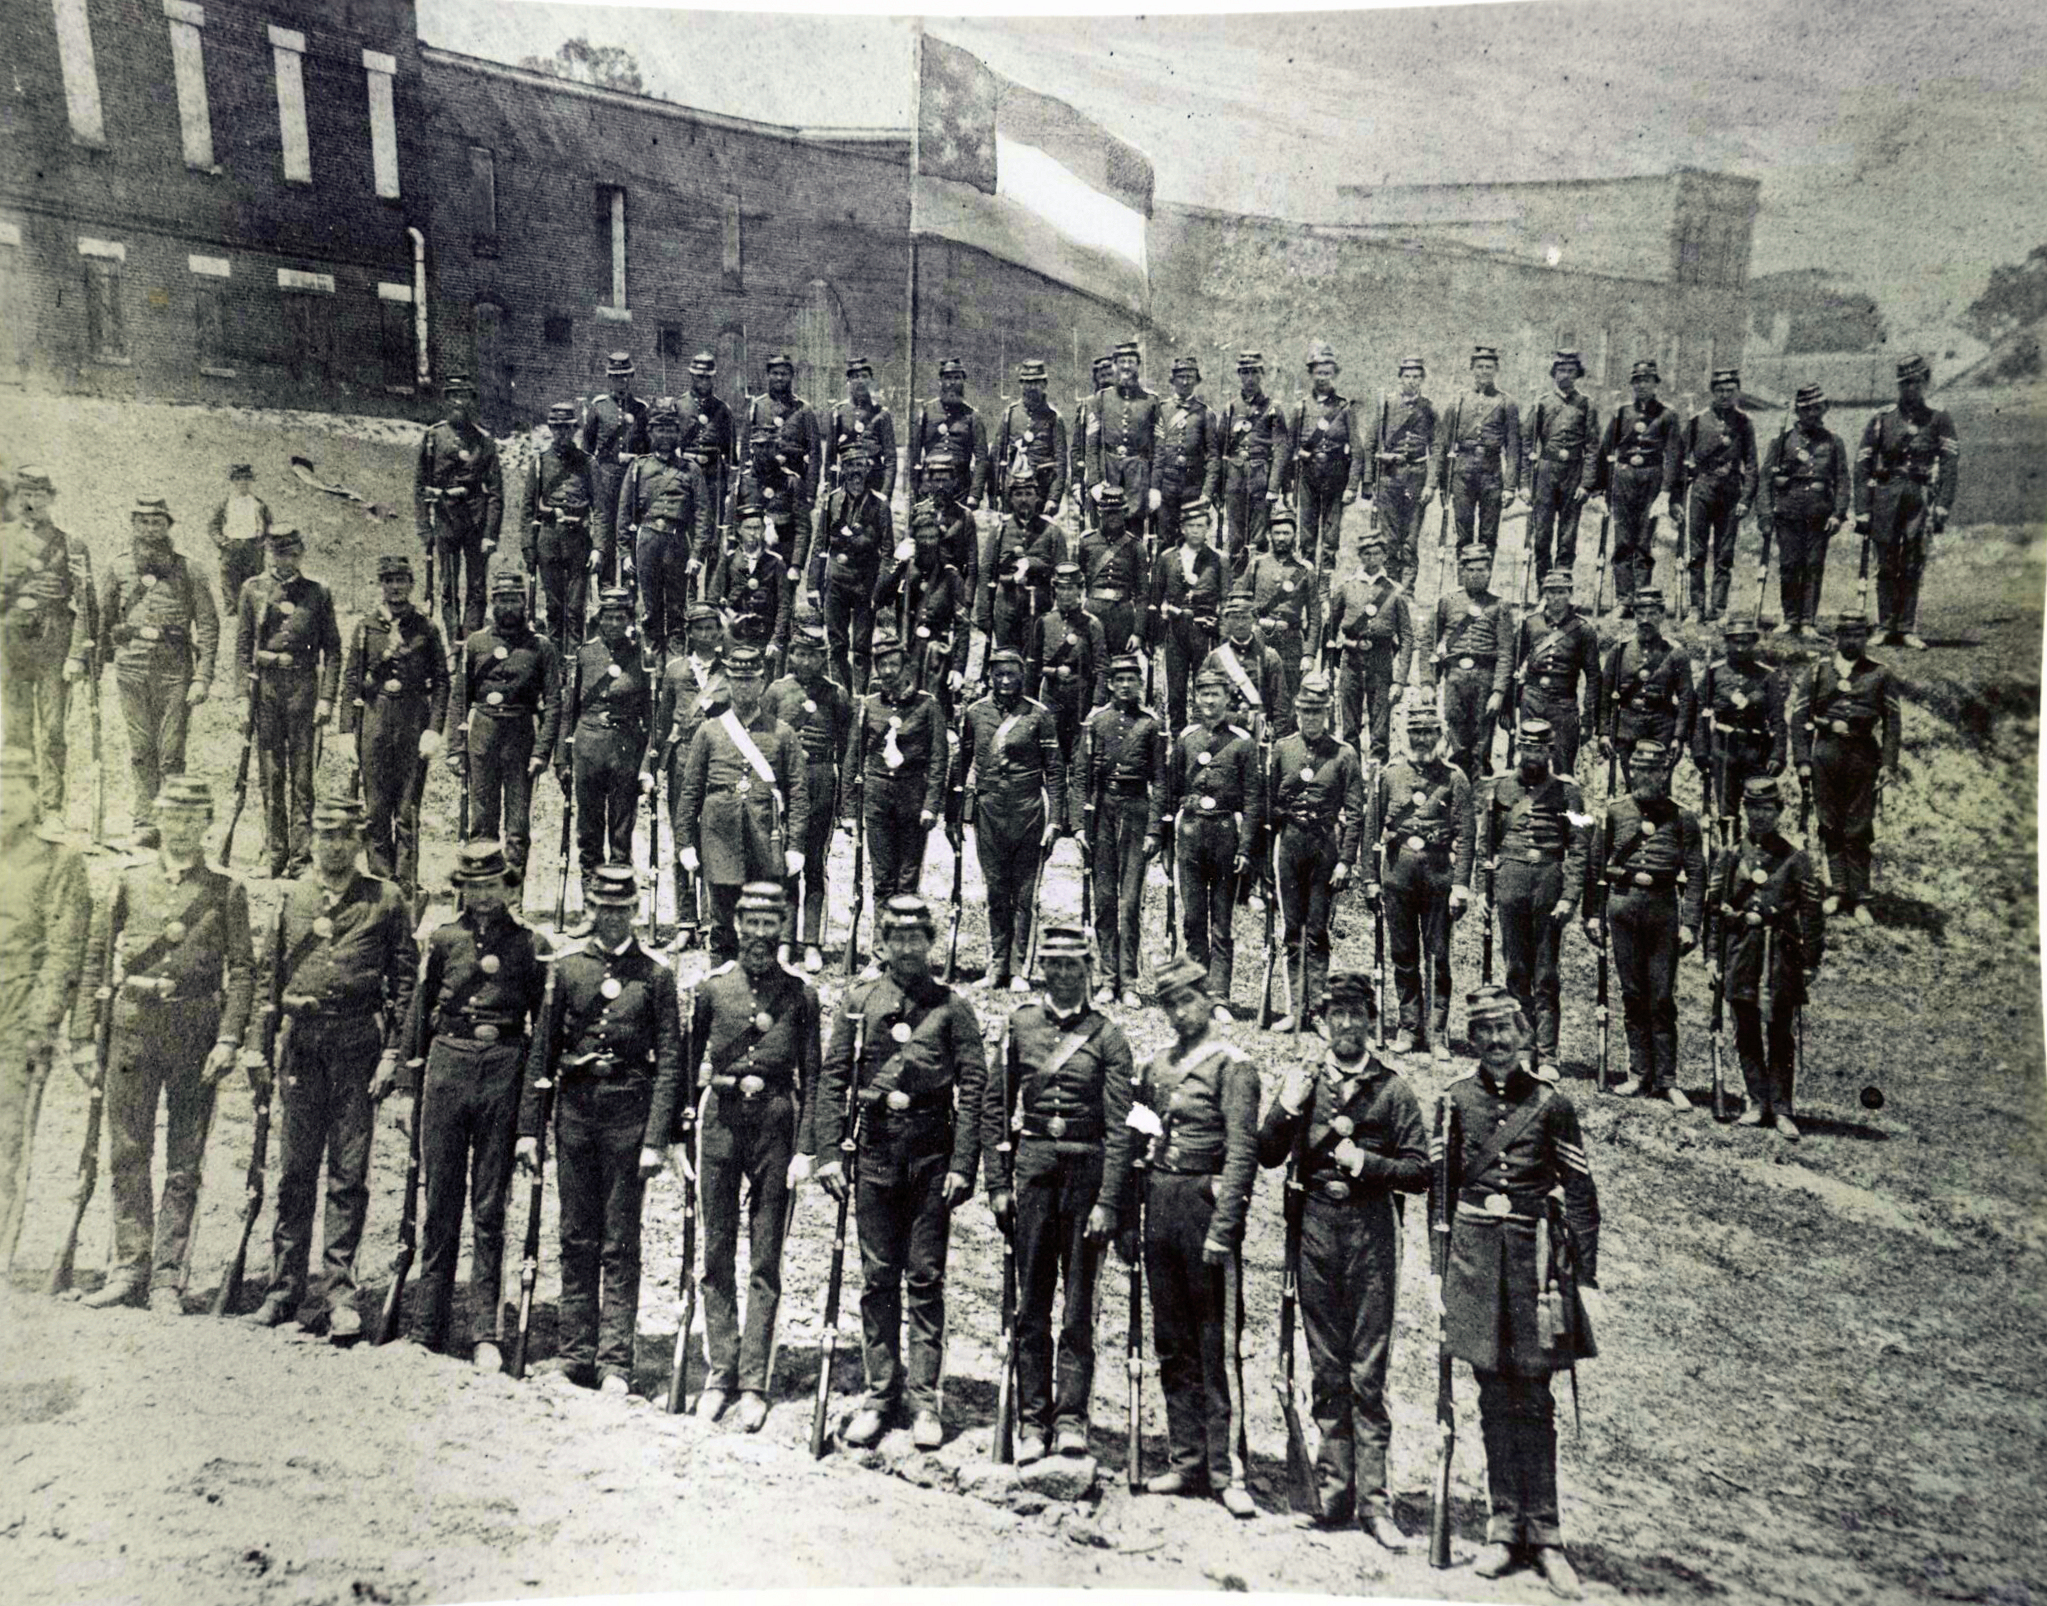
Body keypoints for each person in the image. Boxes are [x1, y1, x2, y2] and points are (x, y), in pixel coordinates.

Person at [1435, 985, 1601, 1599]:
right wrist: (1437, 1273)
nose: (1498, 1041)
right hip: (1477, 1265)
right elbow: (1441, 1195)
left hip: (1535, 1270)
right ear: (1473, 1040)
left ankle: (1548, 1535)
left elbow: (1581, 1196)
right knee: (1490, 1397)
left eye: (1507, 1029)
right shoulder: (1454, 1101)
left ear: (1524, 1034)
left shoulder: (1551, 1105)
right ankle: (1504, 1529)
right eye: (1486, 1032)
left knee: (1534, 1399)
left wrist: (1584, 1278)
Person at [72, 778, 255, 1311]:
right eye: (172, 816)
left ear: (206, 823)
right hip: (132, 1027)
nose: (181, 826)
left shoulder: (226, 890)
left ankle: (167, 1278)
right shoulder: (128, 881)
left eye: (192, 817)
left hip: (195, 1031)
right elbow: (94, 958)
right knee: (128, 1152)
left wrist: (229, 1036)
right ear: (159, 820)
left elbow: (242, 970)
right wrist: (85, 1037)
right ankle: (129, 1268)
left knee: (183, 1160)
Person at [1258, 971, 1427, 1545]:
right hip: (1314, 1233)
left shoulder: (1393, 1089)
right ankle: (1333, 1496)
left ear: (1371, 1022)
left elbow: (1420, 1172)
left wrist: (1368, 1166)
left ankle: (1376, 1505)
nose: (1347, 1024)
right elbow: (1267, 1153)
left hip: (1371, 1235)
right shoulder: (1306, 1081)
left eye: (1357, 1014)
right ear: (1323, 1020)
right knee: (1327, 1368)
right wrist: (1285, 1106)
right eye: (1337, 1014)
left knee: (1367, 1373)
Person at [816, 894, 986, 1450]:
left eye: (918, 937)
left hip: (933, 1159)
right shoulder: (860, 1002)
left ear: (930, 942)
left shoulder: (952, 1008)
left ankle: (925, 1400)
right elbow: (834, 1078)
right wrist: (828, 1154)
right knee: (877, 1280)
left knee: (926, 1279)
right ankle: (880, 1393)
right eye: (897, 937)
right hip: (874, 1156)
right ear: (882, 943)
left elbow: (976, 1088)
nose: (908, 947)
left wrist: (964, 1163)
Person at [244, 797, 417, 1339]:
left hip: (357, 1046)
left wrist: (393, 1055)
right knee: (295, 1171)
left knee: (348, 1173)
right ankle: (283, 1289)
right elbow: (267, 977)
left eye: (344, 836)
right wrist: (256, 1045)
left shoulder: (385, 900)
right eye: (325, 836)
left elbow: (407, 985)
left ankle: (340, 1292)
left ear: (360, 840)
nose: (334, 845)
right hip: (302, 1046)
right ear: (312, 840)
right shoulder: (290, 897)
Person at [652, 881, 818, 1424]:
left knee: (766, 1257)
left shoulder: (800, 995)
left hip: (776, 1125)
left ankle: (753, 1383)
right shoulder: (710, 989)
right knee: (716, 1252)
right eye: (750, 923)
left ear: (781, 929)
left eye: (770, 925)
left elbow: (813, 1078)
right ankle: (719, 1373)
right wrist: (679, 1135)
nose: (759, 935)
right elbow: (683, 1062)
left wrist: (806, 1149)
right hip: (719, 1122)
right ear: (737, 925)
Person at [1104, 956, 1259, 1516]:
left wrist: (1224, 1228)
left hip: (1204, 1206)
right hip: (1160, 1207)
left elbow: (1243, 1153)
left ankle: (1226, 1470)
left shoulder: (1233, 1067)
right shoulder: (1157, 1067)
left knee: (1214, 1343)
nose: (1179, 1012)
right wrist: (1126, 1217)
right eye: (1170, 1004)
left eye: (1188, 1000)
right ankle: (1187, 1460)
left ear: (1208, 998)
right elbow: (1135, 1138)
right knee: (1171, 1340)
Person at [515, 865, 678, 1394]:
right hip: (576, 1112)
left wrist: (657, 1138)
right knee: (575, 1235)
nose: (611, 917)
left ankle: (614, 1362)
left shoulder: (655, 975)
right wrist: (529, 1130)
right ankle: (574, 1353)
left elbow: (671, 1060)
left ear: (635, 909)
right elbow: (542, 1050)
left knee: (619, 1241)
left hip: (629, 1116)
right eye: (603, 908)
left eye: (621, 908)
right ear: (591, 908)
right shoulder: (566, 970)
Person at [982, 924, 1134, 1461]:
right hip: (1034, 1175)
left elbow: (1120, 1129)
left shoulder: (1109, 1038)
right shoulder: (1020, 1025)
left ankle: (1070, 1419)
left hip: (1086, 1179)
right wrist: (998, 1184)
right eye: (1055, 965)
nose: (1064, 975)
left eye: (1074, 965)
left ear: (1088, 970)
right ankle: (1031, 1421)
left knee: (1077, 1309)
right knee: (1031, 1305)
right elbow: (995, 1110)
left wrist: (1110, 1201)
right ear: (1043, 968)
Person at [394, 841, 548, 1367]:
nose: (482, 897)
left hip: (504, 1066)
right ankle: (426, 1325)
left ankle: (486, 1330)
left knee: (489, 1207)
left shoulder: (530, 944)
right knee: (439, 1202)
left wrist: (530, 1115)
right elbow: (419, 1010)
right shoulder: (442, 940)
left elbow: (542, 1033)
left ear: (508, 887)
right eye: (472, 888)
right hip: (448, 1065)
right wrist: (406, 1083)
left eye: (491, 886)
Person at [0, 748, 89, 1270]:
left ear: (35, 794)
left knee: (5, 1142)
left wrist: (43, 1021)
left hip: (17, 1020)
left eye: (15, 790)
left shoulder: (59, 858)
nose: (5, 801)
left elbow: (65, 948)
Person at [1584, 738, 1705, 1106]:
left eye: (1653, 770)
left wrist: (1691, 924)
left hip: (1663, 911)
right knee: (1633, 994)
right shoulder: (1615, 813)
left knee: (1662, 996)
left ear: (1664, 772)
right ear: (1631, 770)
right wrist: (1591, 915)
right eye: (1639, 769)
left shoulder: (1682, 817)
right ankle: (1638, 1073)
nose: (1645, 776)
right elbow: (1594, 866)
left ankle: (1666, 1079)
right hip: (1622, 910)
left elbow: (1697, 873)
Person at [674, 644, 811, 964]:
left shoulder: (783, 733)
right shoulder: (709, 732)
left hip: (765, 837)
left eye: (751, 681)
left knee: (762, 918)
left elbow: (798, 793)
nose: (744, 687)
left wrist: (796, 846)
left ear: (762, 684)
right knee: (721, 922)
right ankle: (722, 978)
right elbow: (690, 791)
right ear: (728, 684)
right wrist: (685, 843)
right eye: (737, 681)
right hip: (719, 835)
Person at [1707, 778, 1826, 1139]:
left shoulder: (1795, 859)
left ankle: (1783, 1108)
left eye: (1766, 810)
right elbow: (1714, 910)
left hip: (1780, 953)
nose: (1758, 816)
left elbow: (1812, 912)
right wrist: (1712, 956)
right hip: (1742, 950)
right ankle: (1756, 1102)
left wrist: (1809, 961)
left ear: (1778, 813)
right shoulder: (1729, 855)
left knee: (1779, 1031)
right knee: (1744, 1027)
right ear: (1744, 812)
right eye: (1752, 809)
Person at [99, 495, 219, 849]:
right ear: (133, 525)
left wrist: (203, 677)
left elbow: (209, 626)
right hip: (131, 668)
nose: (150, 529)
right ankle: (144, 820)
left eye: (157, 522)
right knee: (140, 749)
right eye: (143, 522)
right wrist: (94, 663)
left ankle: (171, 822)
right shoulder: (118, 568)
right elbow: (101, 619)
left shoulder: (189, 569)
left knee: (171, 751)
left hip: (174, 670)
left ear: (168, 526)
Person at [1478, 719, 1590, 1073]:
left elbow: (1580, 848)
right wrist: (1485, 890)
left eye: (1539, 749)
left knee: (1546, 974)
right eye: (1527, 748)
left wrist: (1570, 897)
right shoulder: (1499, 789)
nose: (1533, 755)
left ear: (1550, 751)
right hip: (1510, 881)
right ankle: (1523, 1050)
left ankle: (1549, 1054)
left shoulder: (1570, 794)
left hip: (1548, 883)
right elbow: (1487, 844)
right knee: (1516, 970)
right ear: (1518, 749)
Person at [1362, 705, 1472, 1059]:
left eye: (1428, 733)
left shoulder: (1454, 778)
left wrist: (1461, 884)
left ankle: (1438, 1033)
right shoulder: (1390, 775)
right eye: (1415, 733)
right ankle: (1409, 1028)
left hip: (1439, 876)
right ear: (1405, 737)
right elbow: (1371, 828)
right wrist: (1369, 879)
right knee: (1403, 955)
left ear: (1440, 736)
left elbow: (1467, 835)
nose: (1422, 740)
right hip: (1398, 875)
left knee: (1438, 955)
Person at [951, 649, 1065, 992]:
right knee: (996, 891)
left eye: (1011, 675)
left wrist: (1055, 821)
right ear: (990, 676)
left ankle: (1019, 969)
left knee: (1024, 894)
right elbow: (962, 764)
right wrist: (954, 816)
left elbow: (1055, 771)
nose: (1005, 681)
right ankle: (997, 964)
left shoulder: (1038, 715)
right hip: (989, 810)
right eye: (998, 674)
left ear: (1021, 677)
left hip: (1028, 809)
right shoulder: (974, 713)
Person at [340, 555, 449, 899]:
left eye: (402, 580)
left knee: (407, 809)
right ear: (381, 585)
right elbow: (351, 681)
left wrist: (434, 728)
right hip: (374, 721)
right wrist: (346, 731)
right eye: (389, 580)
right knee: (375, 810)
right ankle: (381, 881)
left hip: (412, 720)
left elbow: (442, 682)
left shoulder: (426, 628)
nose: (396, 586)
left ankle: (405, 884)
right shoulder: (365, 628)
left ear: (411, 584)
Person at [235, 525, 342, 879]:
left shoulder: (317, 592)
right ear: (268, 553)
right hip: (265, 690)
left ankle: (300, 859)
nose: (285, 559)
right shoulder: (252, 589)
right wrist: (240, 698)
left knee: (302, 777)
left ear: (301, 553)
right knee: (270, 774)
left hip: (303, 689)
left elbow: (334, 651)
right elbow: (242, 648)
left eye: (292, 552)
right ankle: (274, 855)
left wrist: (326, 698)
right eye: (278, 552)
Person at [1265, 674, 1365, 1033]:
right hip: (1289, 844)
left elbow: (1355, 813)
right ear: (1296, 711)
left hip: (1325, 847)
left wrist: (1346, 861)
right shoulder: (1281, 748)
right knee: (1292, 930)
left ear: (1328, 713)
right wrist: (1267, 859)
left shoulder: (1344, 754)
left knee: (1318, 931)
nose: (1311, 718)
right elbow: (1269, 806)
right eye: (1306, 711)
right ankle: (1295, 1009)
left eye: (1318, 712)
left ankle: (1318, 1010)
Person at [1790, 613, 1901, 929]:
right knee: (1829, 823)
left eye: (1859, 635)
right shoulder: (1818, 672)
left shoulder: (1880, 674)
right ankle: (1837, 891)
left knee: (1859, 827)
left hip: (1863, 756)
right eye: (1847, 635)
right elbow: (1799, 719)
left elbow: (1893, 723)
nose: (1852, 641)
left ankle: (1861, 898)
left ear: (1865, 638)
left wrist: (1889, 765)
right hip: (1826, 754)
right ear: (1836, 637)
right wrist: (1802, 760)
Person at [448, 572, 562, 875]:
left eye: (514, 599)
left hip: (521, 735)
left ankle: (512, 904)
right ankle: (482, 895)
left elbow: (553, 703)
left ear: (524, 603)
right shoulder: (476, 643)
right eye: (502, 600)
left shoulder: (541, 647)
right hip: (483, 735)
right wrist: (456, 749)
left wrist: (541, 751)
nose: (508, 606)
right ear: (492, 603)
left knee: (517, 826)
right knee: (481, 822)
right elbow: (459, 698)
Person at [1163, 670, 1259, 1019]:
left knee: (1221, 921)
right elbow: (1171, 791)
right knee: (1192, 918)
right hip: (1190, 834)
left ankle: (1218, 996)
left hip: (1224, 835)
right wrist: (1166, 844)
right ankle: (1194, 992)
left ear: (1227, 698)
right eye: (1203, 694)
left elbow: (1251, 799)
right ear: (1196, 698)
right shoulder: (1186, 738)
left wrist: (1246, 848)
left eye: (1216, 694)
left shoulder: (1242, 742)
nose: (1209, 700)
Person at [2, 465, 94, 830]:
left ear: (51, 499)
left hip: (54, 643)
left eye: (39, 495)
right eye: (25, 494)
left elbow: (86, 605)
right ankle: (21, 809)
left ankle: (53, 807)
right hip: (11, 645)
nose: (31, 502)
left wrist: (77, 656)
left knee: (53, 729)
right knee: (15, 729)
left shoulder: (71, 543)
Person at [1854, 353, 1960, 650]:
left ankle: (1907, 627)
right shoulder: (1882, 418)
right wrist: (1862, 509)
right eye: (1904, 383)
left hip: (1919, 496)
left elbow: (1950, 464)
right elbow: (1861, 464)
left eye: (1915, 382)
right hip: (1886, 496)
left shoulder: (1939, 417)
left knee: (1913, 562)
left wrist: (1942, 505)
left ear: (1926, 382)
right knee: (1886, 563)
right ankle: (1885, 625)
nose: (1910, 389)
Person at [763, 625, 854, 971]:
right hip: (785, 783)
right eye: (799, 653)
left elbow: (847, 750)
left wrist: (846, 804)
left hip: (820, 780)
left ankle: (812, 942)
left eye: (813, 654)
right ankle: (785, 940)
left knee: (815, 863)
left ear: (823, 658)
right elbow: (763, 742)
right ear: (791, 655)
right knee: (787, 860)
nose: (805, 660)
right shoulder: (776, 691)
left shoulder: (837, 695)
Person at [557, 587, 653, 910]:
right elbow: (568, 710)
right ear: (599, 620)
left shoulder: (641, 656)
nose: (614, 623)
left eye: (620, 617)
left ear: (629, 620)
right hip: (588, 747)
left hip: (626, 749)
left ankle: (618, 901)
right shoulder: (585, 655)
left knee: (622, 830)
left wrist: (646, 767)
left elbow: (650, 717)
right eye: (608, 617)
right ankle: (590, 901)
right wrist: (562, 758)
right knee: (589, 828)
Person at [1078, 654, 1167, 1007]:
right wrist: (1081, 826)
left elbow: (1160, 781)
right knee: (1104, 900)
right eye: (1120, 679)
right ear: (1111, 684)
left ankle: (1129, 982)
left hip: (1135, 811)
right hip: (1102, 812)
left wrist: (1154, 830)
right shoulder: (1096, 721)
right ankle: (1106, 978)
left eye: (1133, 679)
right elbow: (1081, 776)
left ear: (1139, 684)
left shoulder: (1150, 724)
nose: (1126, 685)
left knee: (1129, 903)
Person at [847, 629, 947, 912]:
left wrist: (931, 806)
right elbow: (852, 759)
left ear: (906, 667)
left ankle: (902, 948)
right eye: (882, 665)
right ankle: (880, 952)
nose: (888, 671)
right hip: (877, 797)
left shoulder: (927, 705)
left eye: (894, 664)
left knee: (907, 880)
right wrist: (848, 809)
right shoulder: (868, 706)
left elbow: (939, 760)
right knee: (882, 880)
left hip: (912, 798)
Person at [651, 603, 730, 950]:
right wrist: (650, 769)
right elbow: (662, 721)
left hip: (716, 763)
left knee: (713, 839)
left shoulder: (729, 671)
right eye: (700, 628)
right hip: (682, 760)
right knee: (684, 838)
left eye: (712, 628)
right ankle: (686, 922)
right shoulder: (674, 671)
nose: (707, 634)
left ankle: (713, 922)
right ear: (690, 633)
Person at [616, 397, 715, 664]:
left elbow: (703, 515)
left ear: (677, 434)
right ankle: (652, 668)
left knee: (677, 609)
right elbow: (624, 513)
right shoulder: (638, 467)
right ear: (650, 433)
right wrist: (625, 552)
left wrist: (697, 554)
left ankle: (674, 666)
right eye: (660, 429)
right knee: (650, 609)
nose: (665, 435)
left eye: (671, 430)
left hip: (677, 543)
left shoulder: (690, 469)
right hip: (647, 541)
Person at [414, 373, 505, 644]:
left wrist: (491, 533)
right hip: (445, 520)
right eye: (453, 396)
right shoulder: (433, 437)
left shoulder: (483, 441)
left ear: (471, 401)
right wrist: (423, 527)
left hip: (475, 522)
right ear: (445, 401)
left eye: (464, 396)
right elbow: (420, 486)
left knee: (477, 586)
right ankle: (454, 639)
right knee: (447, 585)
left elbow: (496, 492)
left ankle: (471, 639)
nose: (459, 402)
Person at [1756, 383, 1850, 638]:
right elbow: (1765, 479)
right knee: (1788, 565)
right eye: (1808, 409)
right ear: (1798, 411)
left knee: (1813, 565)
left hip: (1820, 512)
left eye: (1818, 408)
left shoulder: (1833, 442)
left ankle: (1808, 621)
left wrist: (1838, 514)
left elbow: (1842, 480)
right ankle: (1790, 618)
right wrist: (1765, 514)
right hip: (1788, 511)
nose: (1813, 414)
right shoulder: (1782, 441)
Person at [1592, 360, 1681, 617]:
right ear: (1632, 385)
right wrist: (1598, 490)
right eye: (1638, 381)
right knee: (1622, 542)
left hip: (1651, 481)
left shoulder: (1667, 416)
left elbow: (1674, 456)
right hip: (1622, 480)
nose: (1642, 385)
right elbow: (1605, 449)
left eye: (1648, 381)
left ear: (1656, 384)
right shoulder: (1622, 413)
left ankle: (1642, 600)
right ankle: (1623, 600)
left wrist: (1666, 493)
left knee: (1643, 542)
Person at [803, 444, 891, 696]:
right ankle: (841, 695)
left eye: (860, 467)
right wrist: (813, 585)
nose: (855, 474)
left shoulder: (880, 505)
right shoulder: (831, 501)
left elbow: (887, 551)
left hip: (866, 583)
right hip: (836, 582)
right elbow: (820, 544)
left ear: (867, 470)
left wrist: (881, 588)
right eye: (850, 467)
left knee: (862, 646)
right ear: (843, 470)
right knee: (837, 643)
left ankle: (861, 697)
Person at [1026, 563, 1107, 830]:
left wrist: (1096, 703)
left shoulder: (1092, 624)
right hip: (1051, 697)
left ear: (1080, 591)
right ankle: (1055, 819)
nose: (1067, 594)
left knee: (1081, 761)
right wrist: (1051, 672)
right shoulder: (1044, 622)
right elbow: (1033, 664)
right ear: (1054, 591)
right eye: (1061, 588)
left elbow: (1102, 667)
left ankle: (1077, 821)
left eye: (1072, 588)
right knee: (1054, 760)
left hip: (1081, 698)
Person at [872, 498, 971, 718]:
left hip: (936, 656)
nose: (928, 543)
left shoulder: (950, 576)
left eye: (932, 537)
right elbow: (879, 599)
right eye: (923, 537)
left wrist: (957, 668)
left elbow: (963, 626)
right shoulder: (905, 569)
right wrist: (897, 562)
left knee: (934, 710)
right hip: (906, 649)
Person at [1672, 369, 1757, 622]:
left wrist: (1746, 499)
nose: (1724, 395)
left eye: (1730, 391)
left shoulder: (1744, 423)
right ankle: (1696, 607)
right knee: (1696, 552)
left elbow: (1751, 464)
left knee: (1724, 553)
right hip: (1701, 490)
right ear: (1712, 392)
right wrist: (1677, 499)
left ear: (1736, 392)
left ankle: (1719, 608)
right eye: (1720, 391)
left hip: (1731, 493)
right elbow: (1679, 460)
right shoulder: (1698, 421)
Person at [1322, 529, 1413, 765]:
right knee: (1349, 727)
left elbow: (1407, 638)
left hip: (1381, 662)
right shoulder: (1345, 588)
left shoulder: (1395, 592)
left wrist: (1400, 681)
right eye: (1367, 553)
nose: (1372, 558)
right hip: (1350, 661)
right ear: (1360, 556)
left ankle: (1377, 781)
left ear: (1384, 556)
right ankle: (1351, 775)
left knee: (1380, 729)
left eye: (1377, 553)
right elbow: (1329, 630)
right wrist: (1330, 668)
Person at [1691, 620, 1788, 841]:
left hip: (1757, 749)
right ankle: (1729, 854)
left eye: (1746, 642)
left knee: (1760, 803)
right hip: (1724, 747)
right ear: (1727, 642)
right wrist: (1700, 749)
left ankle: (1757, 853)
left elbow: (1778, 719)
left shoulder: (1768, 676)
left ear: (1754, 643)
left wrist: (1777, 754)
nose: (1741, 648)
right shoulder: (1714, 673)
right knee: (1727, 809)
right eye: (1735, 642)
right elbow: (1699, 714)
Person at [1432, 543, 1515, 782]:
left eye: (1481, 570)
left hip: (1484, 678)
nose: (1476, 575)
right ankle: (1457, 787)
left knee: (1481, 741)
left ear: (1489, 572)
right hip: (1455, 676)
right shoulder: (1447, 602)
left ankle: (1478, 792)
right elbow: (1432, 645)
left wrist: (1498, 691)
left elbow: (1506, 653)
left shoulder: (1500, 606)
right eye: (1470, 570)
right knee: (1455, 735)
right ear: (1461, 572)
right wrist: (1429, 682)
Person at [522, 401, 597, 654]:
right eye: (557, 428)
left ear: (574, 430)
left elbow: (602, 510)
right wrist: (527, 547)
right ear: (551, 430)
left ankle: (575, 661)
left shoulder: (587, 463)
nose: (562, 433)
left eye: (567, 428)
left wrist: (598, 547)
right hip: (549, 538)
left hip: (578, 539)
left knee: (576, 608)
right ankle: (554, 663)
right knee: (554, 607)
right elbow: (527, 509)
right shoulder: (540, 463)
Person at [1145, 500, 1225, 736]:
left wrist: (1218, 627)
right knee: (1176, 689)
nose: (1196, 531)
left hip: (1205, 631)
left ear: (1207, 528)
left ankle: (1203, 733)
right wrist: (1157, 628)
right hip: (1176, 630)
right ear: (1182, 529)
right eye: (1191, 526)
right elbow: (1155, 598)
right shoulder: (1167, 558)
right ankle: (1178, 736)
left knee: (1205, 684)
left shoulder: (1218, 559)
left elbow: (1226, 598)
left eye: (1201, 526)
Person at [1510, 570, 1601, 777]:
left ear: (1569, 594)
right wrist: (1509, 705)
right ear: (1544, 594)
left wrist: (1588, 717)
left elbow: (1594, 677)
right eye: (1551, 592)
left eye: (1561, 592)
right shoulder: (1530, 623)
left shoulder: (1583, 630)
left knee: (1562, 763)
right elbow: (1513, 664)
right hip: (1532, 699)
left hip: (1563, 703)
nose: (1556, 597)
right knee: (1529, 760)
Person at [1599, 588, 1694, 788]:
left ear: (1662, 615)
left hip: (1661, 730)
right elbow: (1605, 694)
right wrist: (1604, 732)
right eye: (1640, 614)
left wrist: (1678, 736)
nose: (1645, 619)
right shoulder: (1620, 650)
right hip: (1627, 728)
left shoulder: (1675, 653)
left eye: (1651, 614)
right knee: (1632, 786)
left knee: (1660, 788)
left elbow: (1686, 698)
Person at [1433, 346, 1523, 554]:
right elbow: (1445, 445)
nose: (1484, 371)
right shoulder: (1458, 401)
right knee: (1463, 534)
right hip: (1462, 474)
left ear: (1496, 370)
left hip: (1492, 475)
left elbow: (1513, 449)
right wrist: (1443, 485)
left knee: (1488, 536)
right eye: (1480, 367)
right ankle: (1463, 584)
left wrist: (1509, 487)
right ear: (1472, 369)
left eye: (1489, 367)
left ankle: (1482, 585)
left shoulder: (1506, 403)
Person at [1521, 352, 1598, 589]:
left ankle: (1561, 588)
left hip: (1573, 474)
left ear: (1577, 375)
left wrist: (1586, 483)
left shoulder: (1585, 404)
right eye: (1561, 371)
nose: (1566, 375)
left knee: (1568, 534)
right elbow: (1527, 444)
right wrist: (1525, 483)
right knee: (1542, 534)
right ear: (1554, 374)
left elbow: (1593, 447)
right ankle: (1543, 587)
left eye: (1571, 372)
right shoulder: (1542, 403)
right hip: (1545, 472)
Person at [1362, 354, 1438, 591]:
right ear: (1400, 378)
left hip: (1416, 477)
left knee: (1411, 536)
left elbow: (1437, 447)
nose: (1412, 381)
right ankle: (1390, 583)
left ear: (1422, 379)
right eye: (1407, 376)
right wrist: (1367, 480)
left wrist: (1431, 484)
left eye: (1417, 377)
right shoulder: (1386, 406)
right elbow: (1371, 443)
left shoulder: (1428, 409)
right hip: (1389, 477)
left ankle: (1407, 587)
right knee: (1388, 535)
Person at [1290, 343, 1362, 582]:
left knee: (1331, 535)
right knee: (1306, 531)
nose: (1322, 378)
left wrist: (1352, 486)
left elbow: (1358, 450)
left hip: (1336, 475)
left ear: (1335, 375)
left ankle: (1325, 581)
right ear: (1311, 374)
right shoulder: (1300, 407)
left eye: (1327, 373)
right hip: (1308, 476)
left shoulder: (1345, 408)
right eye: (1318, 372)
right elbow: (1290, 446)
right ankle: (1307, 578)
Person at [979, 470, 1066, 657]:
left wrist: (1032, 564)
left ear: (1037, 497)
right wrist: (984, 612)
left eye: (1029, 494)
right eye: (1018, 494)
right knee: (1005, 656)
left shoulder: (1051, 530)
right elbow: (987, 570)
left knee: (1035, 658)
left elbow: (1062, 572)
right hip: (1006, 603)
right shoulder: (1000, 529)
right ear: (1010, 499)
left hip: (1040, 603)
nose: (1024, 499)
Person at [1240, 507, 1318, 719]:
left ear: (1294, 536)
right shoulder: (1257, 565)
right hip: (1260, 640)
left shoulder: (1305, 569)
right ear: (1269, 535)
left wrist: (1309, 654)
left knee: (1288, 702)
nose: (1282, 538)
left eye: (1287, 533)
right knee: (1257, 697)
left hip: (1291, 641)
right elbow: (1240, 602)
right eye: (1277, 533)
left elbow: (1314, 617)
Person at [1219, 352, 1292, 575]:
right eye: (1245, 373)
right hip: (1235, 477)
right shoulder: (1231, 408)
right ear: (1239, 376)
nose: (1249, 378)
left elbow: (1281, 449)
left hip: (1260, 475)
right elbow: (1219, 448)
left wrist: (1274, 488)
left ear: (1262, 375)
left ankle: (1257, 582)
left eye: (1254, 372)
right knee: (1235, 534)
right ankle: (1234, 583)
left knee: (1259, 535)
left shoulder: (1273, 409)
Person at [583, 351, 652, 580]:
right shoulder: (599, 407)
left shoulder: (641, 409)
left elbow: (648, 450)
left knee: (631, 530)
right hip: (606, 478)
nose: (620, 381)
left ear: (630, 377)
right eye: (615, 377)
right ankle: (607, 593)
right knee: (607, 533)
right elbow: (588, 450)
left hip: (633, 479)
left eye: (624, 376)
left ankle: (630, 592)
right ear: (609, 379)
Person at [1089, 341, 1165, 543]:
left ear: (1138, 365)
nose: (1125, 366)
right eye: (1121, 361)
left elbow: (1159, 449)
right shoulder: (1102, 398)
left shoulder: (1151, 401)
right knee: (1104, 531)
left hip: (1138, 478)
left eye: (1131, 361)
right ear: (1114, 365)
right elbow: (1092, 445)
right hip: (1109, 473)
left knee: (1134, 535)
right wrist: (1094, 481)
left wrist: (1155, 487)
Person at [1154, 356, 1224, 552]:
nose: (1185, 381)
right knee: (1165, 540)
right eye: (1181, 377)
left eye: (1190, 377)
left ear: (1197, 380)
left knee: (1193, 540)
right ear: (1173, 380)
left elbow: (1213, 457)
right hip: (1166, 486)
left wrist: (1207, 492)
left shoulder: (1205, 414)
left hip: (1193, 487)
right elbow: (1155, 452)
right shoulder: (1161, 410)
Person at [1077, 484, 1147, 670]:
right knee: (1090, 666)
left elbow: (1142, 594)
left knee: (1120, 666)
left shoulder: (1135, 546)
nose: (1113, 518)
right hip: (1093, 610)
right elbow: (1077, 582)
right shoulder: (1087, 542)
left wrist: (1138, 632)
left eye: (1117, 513)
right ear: (1100, 512)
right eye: (1108, 513)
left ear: (1125, 513)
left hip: (1122, 614)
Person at [709, 500, 790, 661]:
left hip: (764, 636)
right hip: (735, 636)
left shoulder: (775, 562)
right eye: (748, 528)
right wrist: (724, 620)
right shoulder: (729, 559)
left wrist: (776, 640)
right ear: (739, 530)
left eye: (757, 528)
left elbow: (784, 605)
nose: (753, 533)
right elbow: (713, 598)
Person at [909, 358, 990, 516]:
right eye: (947, 378)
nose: (952, 383)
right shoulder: (925, 412)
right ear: (940, 381)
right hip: (929, 486)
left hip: (960, 488)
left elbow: (982, 459)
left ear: (963, 381)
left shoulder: (972, 416)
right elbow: (914, 456)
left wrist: (975, 494)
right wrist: (914, 490)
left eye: (957, 378)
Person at [1203, 590, 1288, 737]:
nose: (1240, 623)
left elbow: (1280, 707)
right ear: (1227, 621)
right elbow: (1202, 705)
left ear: (1254, 620)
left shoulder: (1269, 658)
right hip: (1222, 736)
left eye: (1245, 617)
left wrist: (1277, 743)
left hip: (1257, 736)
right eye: (1235, 618)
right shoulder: (1215, 658)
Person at [675, 351, 737, 551]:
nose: (703, 381)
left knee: (712, 537)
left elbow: (730, 454)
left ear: (713, 378)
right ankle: (688, 581)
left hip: (713, 478)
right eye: (699, 376)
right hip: (686, 475)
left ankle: (711, 580)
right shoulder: (679, 405)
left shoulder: (723, 409)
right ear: (691, 376)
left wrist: (728, 488)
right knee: (684, 531)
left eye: (707, 377)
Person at [991, 358, 1068, 515]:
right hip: (1013, 491)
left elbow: (1061, 462)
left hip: (1041, 492)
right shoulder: (1009, 414)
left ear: (1044, 385)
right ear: (1021, 384)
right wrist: (994, 494)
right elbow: (996, 456)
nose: (1031, 387)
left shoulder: (1054, 418)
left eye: (1036, 382)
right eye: (1027, 382)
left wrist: (1054, 498)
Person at [821, 356, 899, 509]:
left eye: (864, 376)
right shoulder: (838, 413)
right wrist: (830, 491)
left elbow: (890, 459)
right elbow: (830, 459)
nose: (860, 381)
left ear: (871, 380)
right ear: (848, 382)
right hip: (846, 481)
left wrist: (885, 494)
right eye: (855, 377)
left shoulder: (881, 414)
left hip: (874, 481)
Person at [206, 462, 272, 617]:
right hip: (231, 546)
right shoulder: (225, 503)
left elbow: (269, 524)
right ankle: (232, 612)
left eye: (246, 479)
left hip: (252, 546)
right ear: (233, 481)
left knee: (253, 579)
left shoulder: (258, 504)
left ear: (251, 481)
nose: (243, 482)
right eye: (239, 479)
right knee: (229, 579)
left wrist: (263, 541)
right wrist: (221, 541)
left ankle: (252, 612)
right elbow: (213, 525)